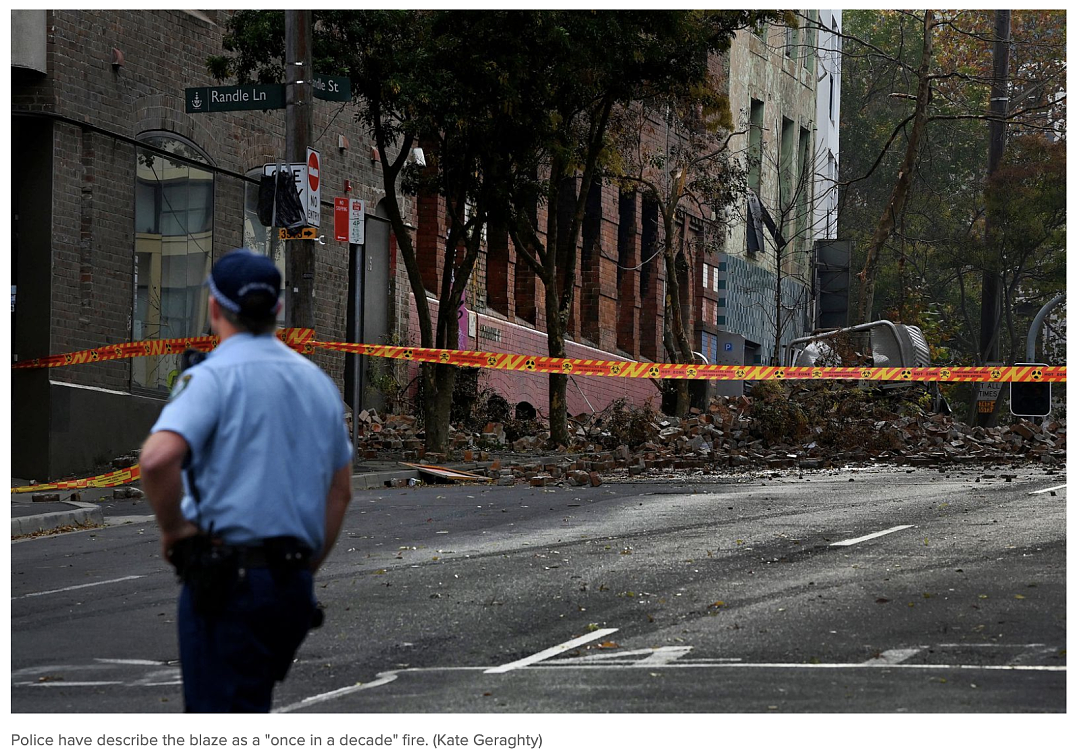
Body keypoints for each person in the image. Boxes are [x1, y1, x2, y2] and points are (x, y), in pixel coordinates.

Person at [140, 248, 353, 712]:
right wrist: (304, 567)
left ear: (214, 307)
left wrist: (175, 530)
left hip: (227, 582)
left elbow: (158, 460)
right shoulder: (319, 384)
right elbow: (340, 491)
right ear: (278, 308)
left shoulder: (212, 377)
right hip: (291, 585)